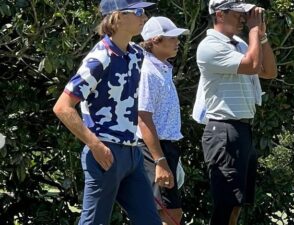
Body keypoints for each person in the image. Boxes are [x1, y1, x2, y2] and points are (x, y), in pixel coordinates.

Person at [52, 0, 162, 224]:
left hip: (133, 154)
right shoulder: (99, 58)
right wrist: (95, 145)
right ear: (117, 17)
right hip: (106, 153)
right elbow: (62, 107)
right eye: (139, 11)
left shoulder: (136, 54)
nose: (145, 17)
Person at [193, 0, 278, 224]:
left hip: (241, 129)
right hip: (223, 130)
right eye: (238, 13)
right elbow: (250, 65)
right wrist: (253, 30)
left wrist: (261, 36)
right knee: (226, 204)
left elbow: (269, 71)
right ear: (220, 15)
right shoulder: (210, 45)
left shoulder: (240, 44)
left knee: (236, 205)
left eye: (245, 14)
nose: (243, 18)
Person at [137, 16, 189, 225]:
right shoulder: (148, 71)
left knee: (167, 214)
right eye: (172, 37)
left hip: (163, 147)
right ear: (155, 41)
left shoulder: (162, 68)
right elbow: (143, 117)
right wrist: (160, 160)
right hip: (152, 150)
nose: (177, 41)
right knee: (168, 214)